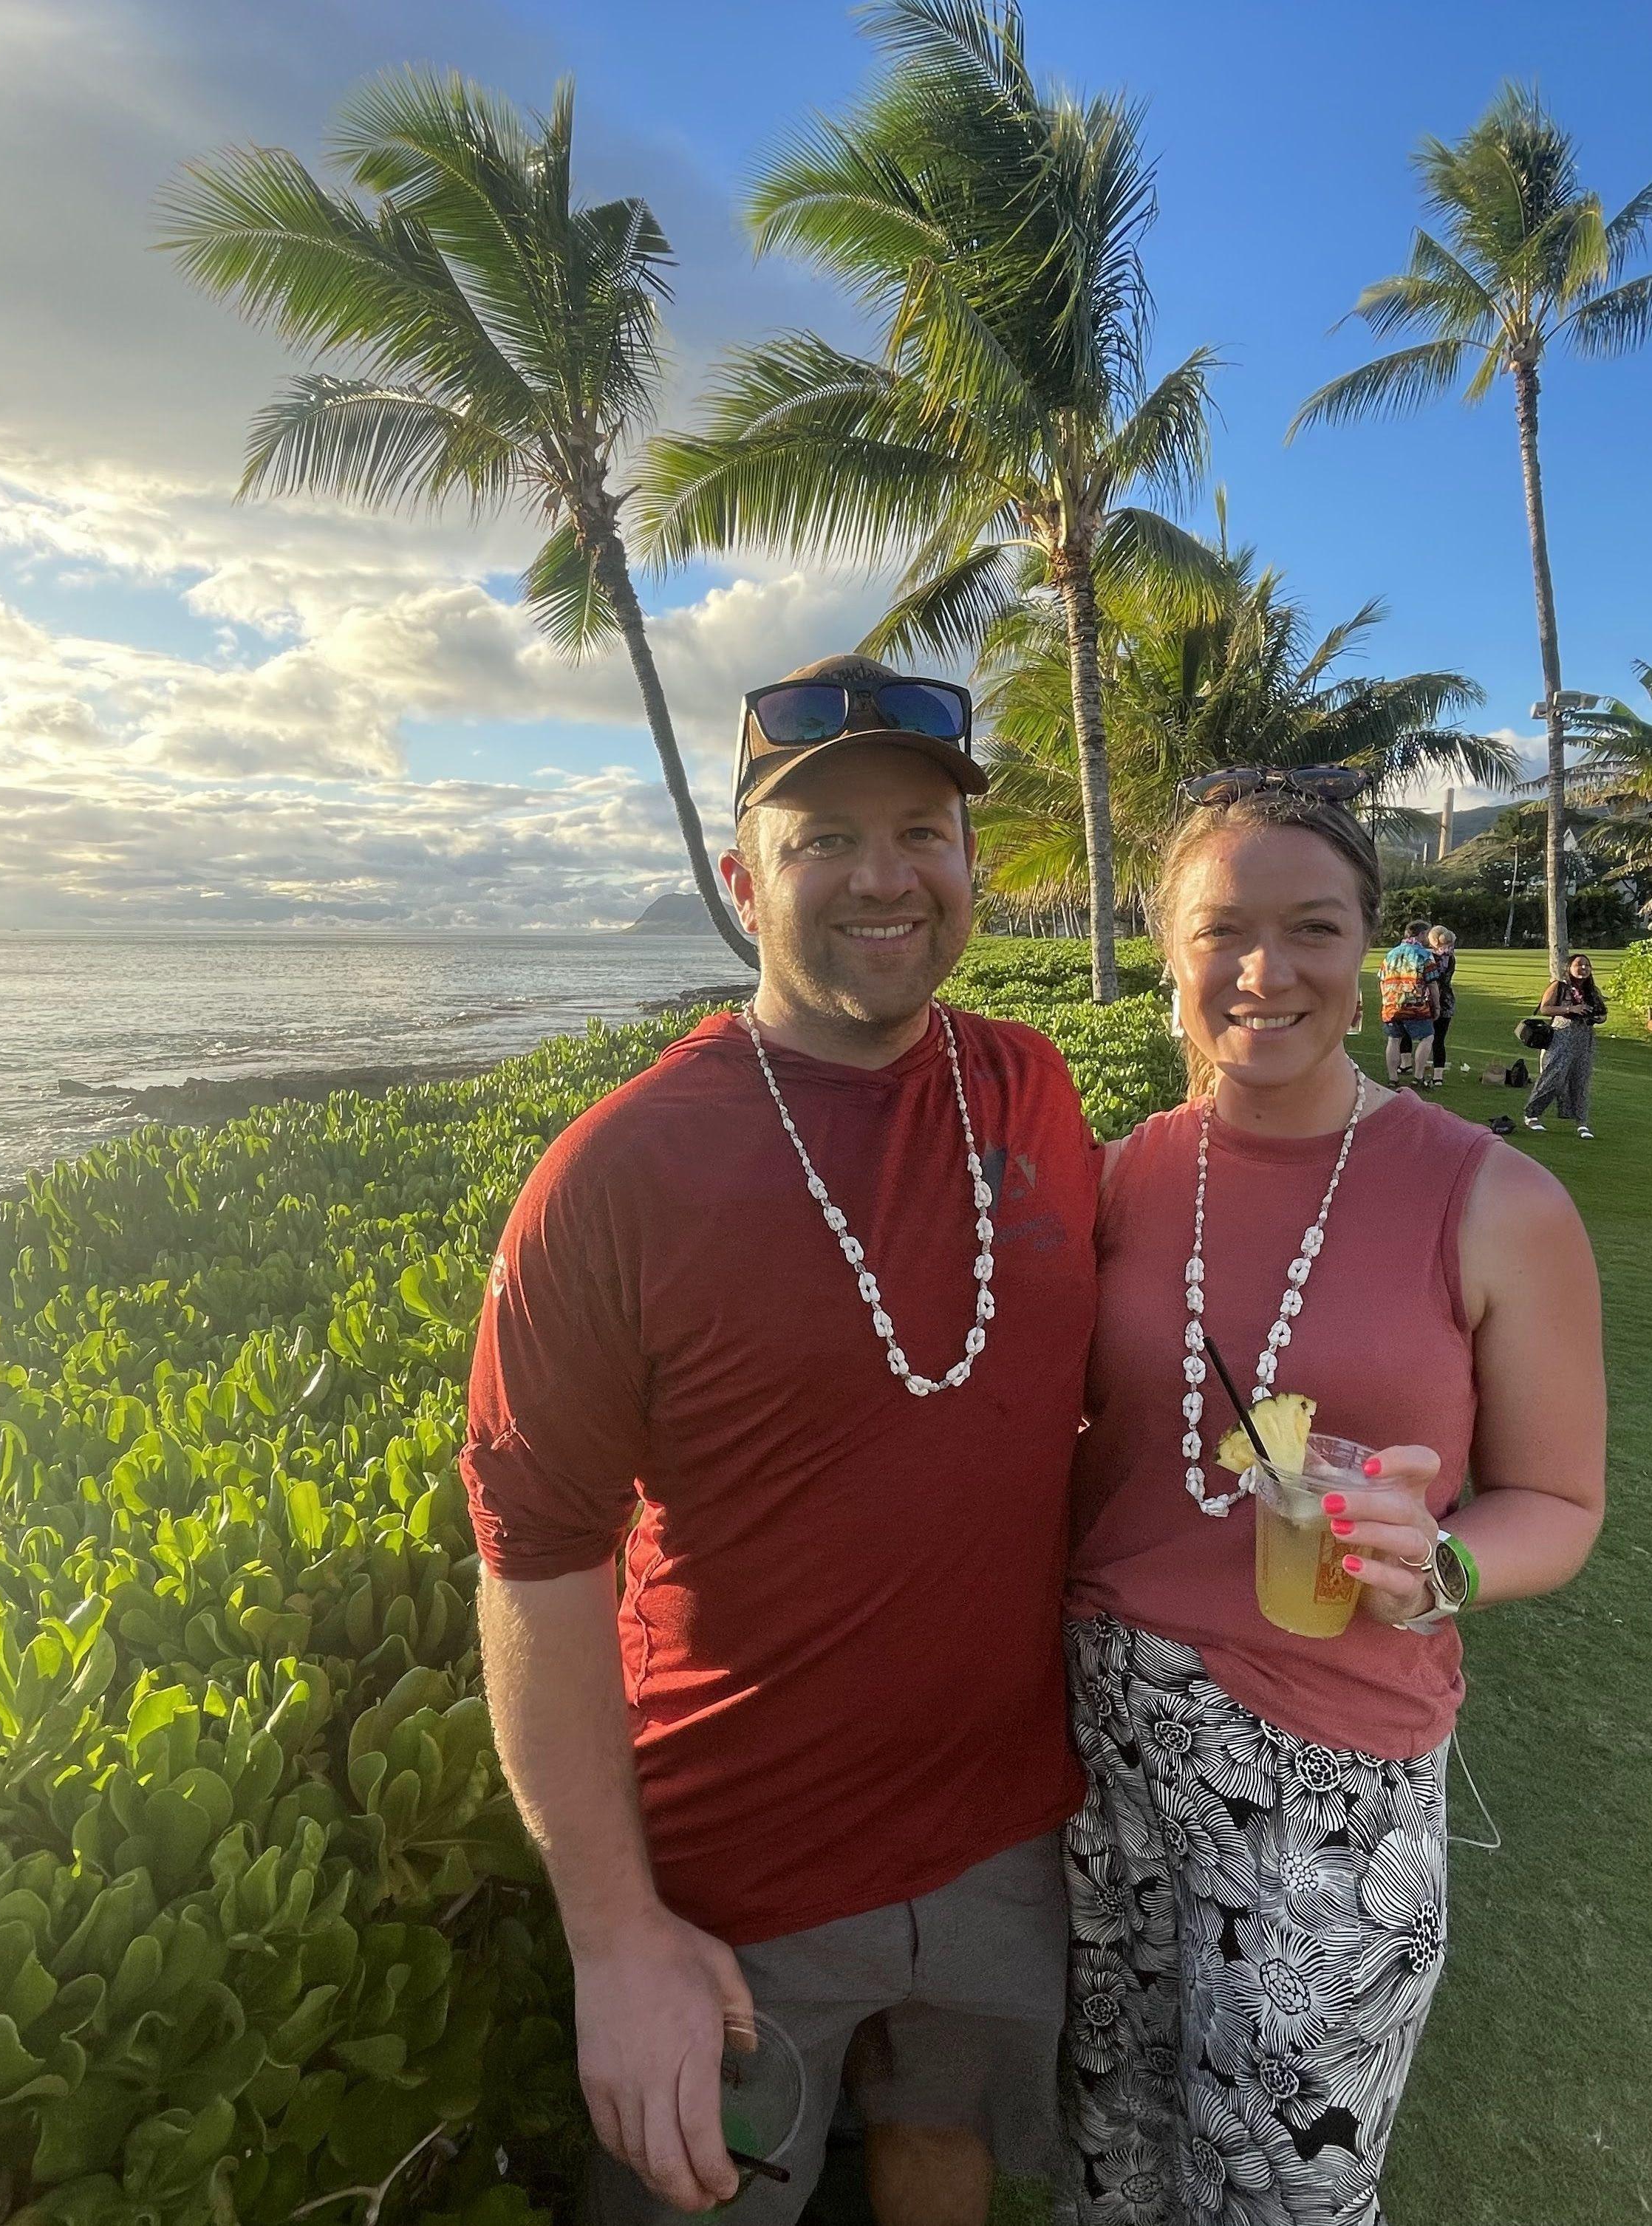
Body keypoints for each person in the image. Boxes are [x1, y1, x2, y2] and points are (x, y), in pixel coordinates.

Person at [463, 653, 1102, 2226]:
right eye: (821, 840)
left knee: (938, 2144)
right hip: (728, 1876)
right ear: (743, 879)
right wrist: (614, 1941)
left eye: (919, 832)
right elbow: (534, 1561)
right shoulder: (616, 1173)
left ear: (971, 867)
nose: (880, 878)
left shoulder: (1030, 1085)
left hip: (1004, 1826)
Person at [1058, 776, 1607, 2225]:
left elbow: (1555, 1500)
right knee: (1117, 2138)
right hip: (1099, 1749)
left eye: (1312, 926)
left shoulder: (1491, 1200)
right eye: (1221, 928)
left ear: (1368, 952)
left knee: (1284, 2189)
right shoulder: (1117, 1181)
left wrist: (1442, 1564)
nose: (1264, 969)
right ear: (1167, 946)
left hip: (1331, 1774)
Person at [1523, 952, 1609, 1138]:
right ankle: (1532, 1115)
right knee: (1553, 1077)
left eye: (1587, 965)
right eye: (1579, 965)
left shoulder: (1593, 990)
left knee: (1580, 1080)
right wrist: (1570, 1009)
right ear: (1569, 968)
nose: (1584, 968)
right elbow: (1545, 1008)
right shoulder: (1559, 986)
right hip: (1562, 1037)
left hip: (1584, 1039)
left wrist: (1597, 1016)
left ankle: (1581, 1122)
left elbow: (1603, 1014)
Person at [1376, 918, 1438, 1087]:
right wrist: (1436, 1006)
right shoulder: (1424, 955)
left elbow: (1382, 980)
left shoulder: (1390, 954)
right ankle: (1418, 1077)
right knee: (1427, 1037)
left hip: (1391, 1005)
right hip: (1415, 1005)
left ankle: (1392, 1078)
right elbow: (1432, 983)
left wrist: (1387, 1001)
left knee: (1393, 1039)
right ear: (1423, 934)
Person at [1425, 923, 1458, 1085]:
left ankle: (1417, 1071)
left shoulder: (1427, 957)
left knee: (1426, 1038)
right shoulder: (1450, 957)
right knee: (1439, 1040)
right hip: (1447, 1000)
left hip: (1428, 1000)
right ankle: (1438, 1075)